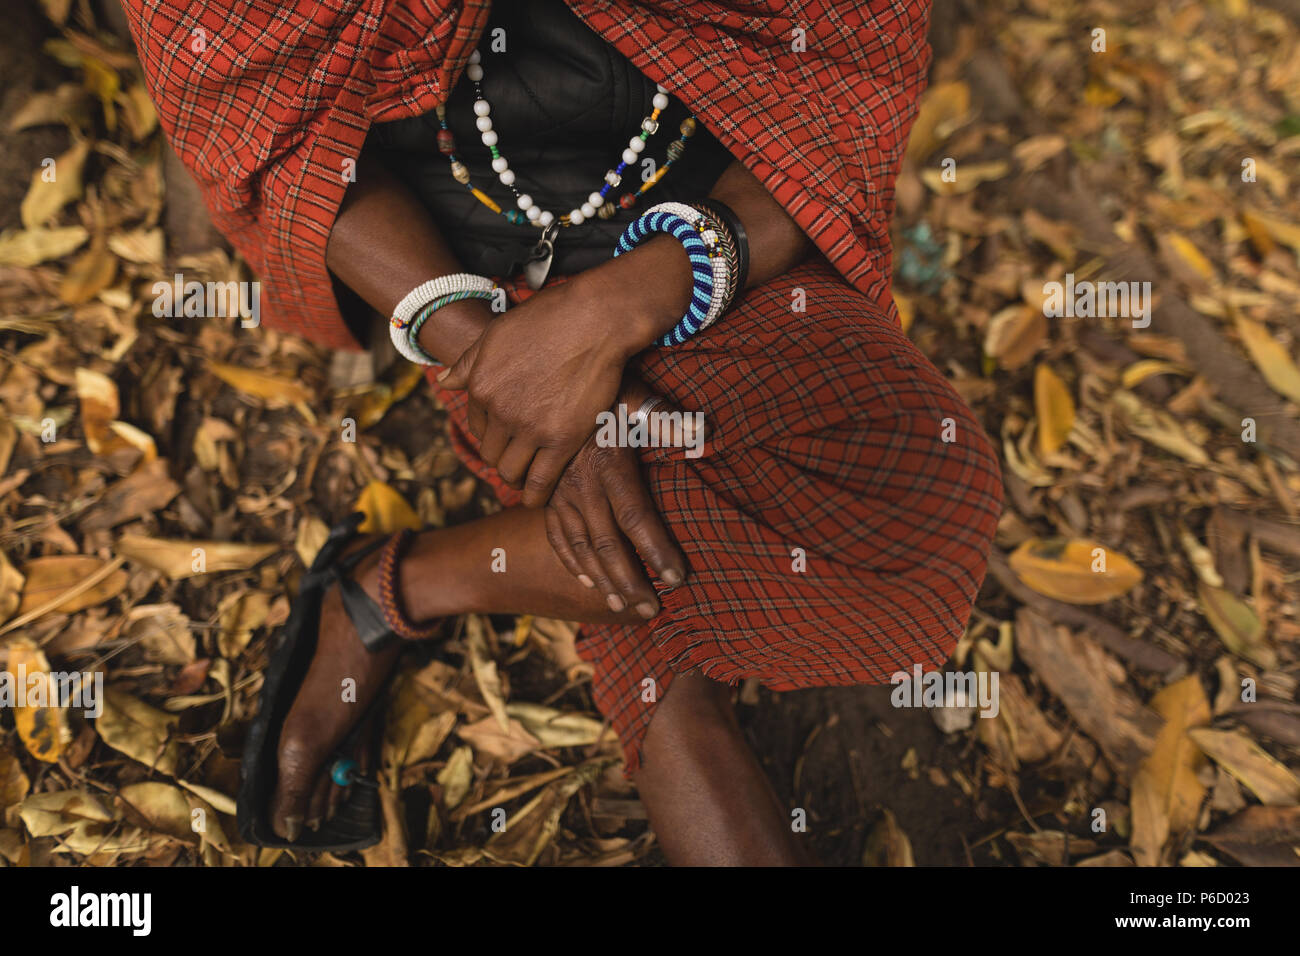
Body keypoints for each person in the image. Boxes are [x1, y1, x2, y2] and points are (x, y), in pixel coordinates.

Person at [121, 0, 1002, 865]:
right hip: (463, 274)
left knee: (923, 518)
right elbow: (278, 141)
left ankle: (407, 581)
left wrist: (622, 306)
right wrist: (523, 377)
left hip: (717, 249)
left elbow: (836, 105)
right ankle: (395, 588)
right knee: (718, 564)